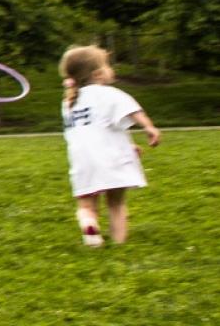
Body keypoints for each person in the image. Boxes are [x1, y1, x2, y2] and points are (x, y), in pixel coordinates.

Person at [60, 46, 161, 246]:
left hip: (82, 162)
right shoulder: (108, 93)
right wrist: (149, 127)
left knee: (86, 205)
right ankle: (119, 243)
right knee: (116, 203)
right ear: (98, 74)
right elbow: (133, 111)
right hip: (111, 159)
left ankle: (89, 224)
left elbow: (95, 130)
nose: (110, 69)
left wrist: (129, 145)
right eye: (107, 65)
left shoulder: (69, 103)